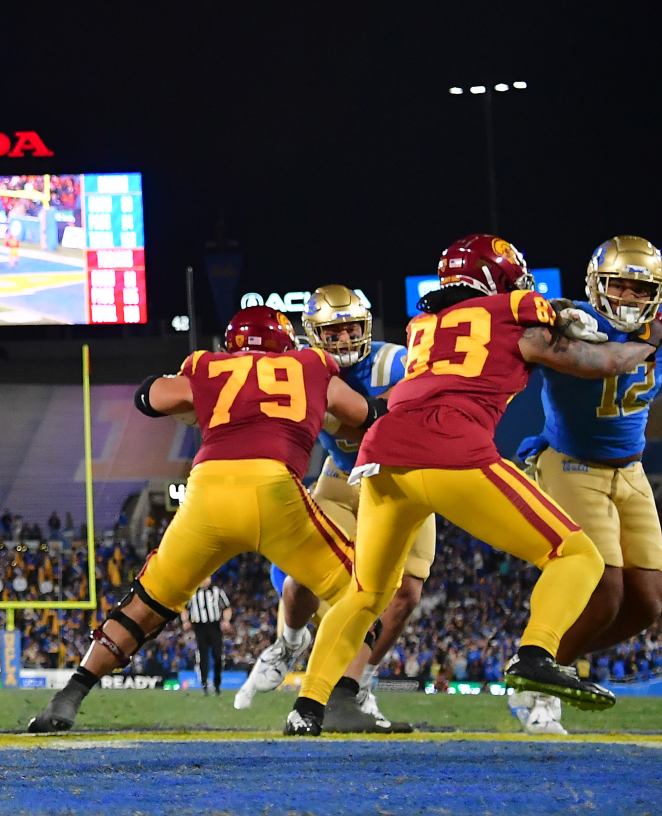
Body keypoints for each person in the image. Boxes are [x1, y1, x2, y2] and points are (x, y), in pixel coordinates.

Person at [291, 235, 658, 736]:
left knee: (366, 592)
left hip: (383, 456)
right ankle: (534, 656)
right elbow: (605, 363)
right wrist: (645, 335)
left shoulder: (424, 326)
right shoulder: (515, 312)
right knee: (579, 556)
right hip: (451, 449)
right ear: (494, 281)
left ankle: (308, 708)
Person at [25, 306, 377, 733]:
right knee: (361, 598)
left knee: (146, 604)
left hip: (207, 492)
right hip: (275, 490)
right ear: (287, 345)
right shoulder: (312, 365)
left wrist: (193, 394)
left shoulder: (207, 366)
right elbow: (364, 415)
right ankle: (317, 705)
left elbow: (148, 396)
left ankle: (69, 697)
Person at [236, 284, 428, 732]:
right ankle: (289, 641)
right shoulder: (302, 370)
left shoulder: (395, 361)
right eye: (333, 332)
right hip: (343, 479)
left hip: (405, 482)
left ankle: (357, 685)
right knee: (303, 577)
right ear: (314, 335)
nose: (343, 340)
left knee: (407, 594)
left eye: (351, 329)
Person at [508, 236, 662, 734]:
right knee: (605, 592)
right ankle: (544, 685)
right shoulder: (574, 318)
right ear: (597, 285)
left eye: (642, 290)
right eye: (619, 285)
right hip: (572, 464)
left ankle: (545, 658)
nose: (630, 298)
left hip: (632, 470)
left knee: (646, 603)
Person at [185, 579, 231, 694]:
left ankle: (217, 684)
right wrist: (185, 621)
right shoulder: (193, 593)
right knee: (203, 656)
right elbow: (185, 608)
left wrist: (226, 620)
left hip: (214, 626)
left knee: (218, 656)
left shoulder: (216, 591)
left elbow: (226, 607)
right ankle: (204, 684)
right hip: (199, 627)